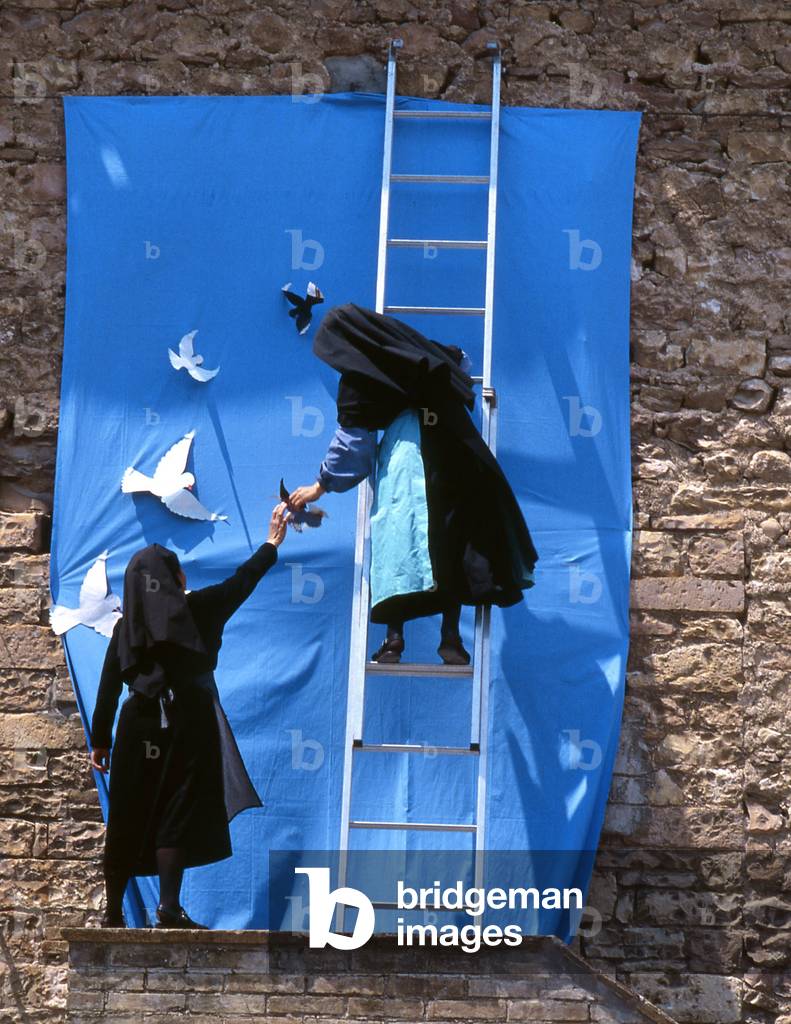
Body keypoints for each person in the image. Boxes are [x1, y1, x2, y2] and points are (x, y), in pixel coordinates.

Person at [289, 303, 538, 666]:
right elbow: (461, 361)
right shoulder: (412, 349)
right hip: (454, 448)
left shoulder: (360, 377)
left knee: (399, 540)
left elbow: (353, 446)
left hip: (407, 456)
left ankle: (394, 639)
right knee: (451, 539)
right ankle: (451, 637)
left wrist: (320, 486)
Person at [89, 503, 288, 929]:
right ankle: (167, 906)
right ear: (176, 578)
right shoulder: (200, 609)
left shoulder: (126, 628)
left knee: (127, 811)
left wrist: (101, 741)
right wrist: (271, 543)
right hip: (188, 721)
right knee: (176, 809)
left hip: (138, 724)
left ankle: (112, 911)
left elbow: (108, 688)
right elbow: (242, 582)